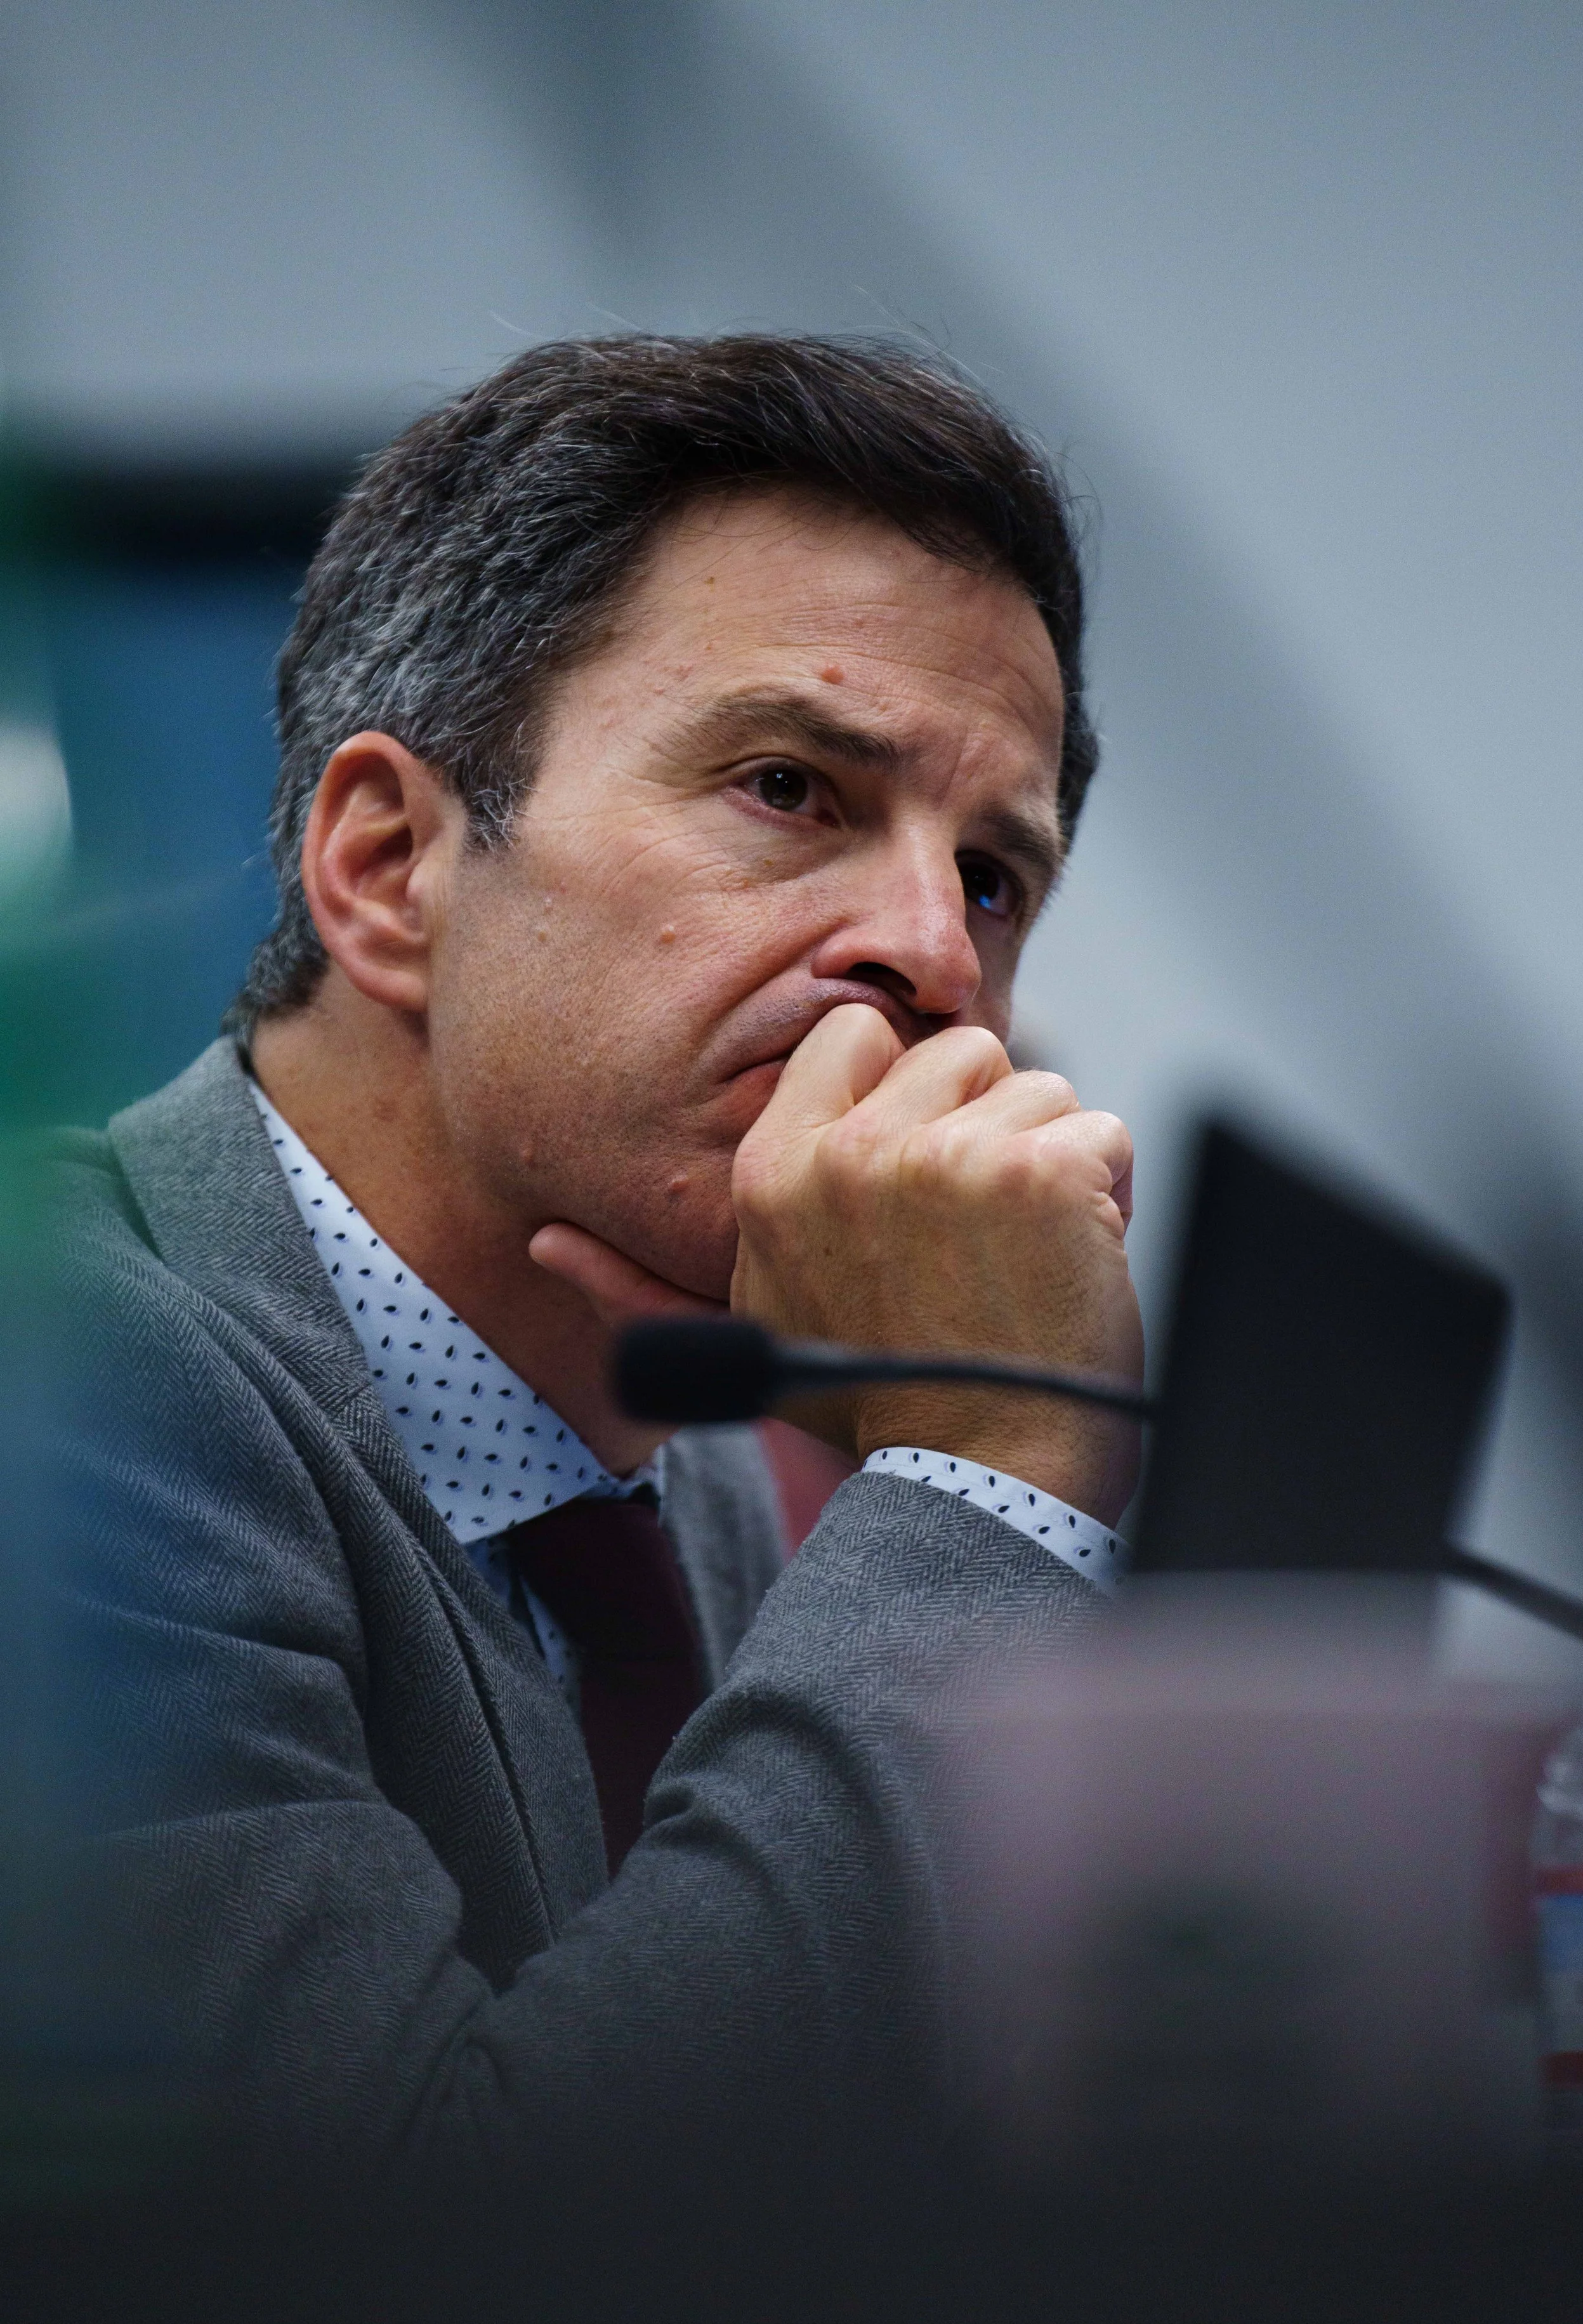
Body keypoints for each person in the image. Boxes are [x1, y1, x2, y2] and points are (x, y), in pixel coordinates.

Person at [56, 336, 1142, 2189]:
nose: (931, 956)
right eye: (791, 786)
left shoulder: (683, 1438)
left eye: (989, 874)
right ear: (391, 865)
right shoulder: (61, 1396)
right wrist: (981, 1478)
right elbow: (446, 2266)